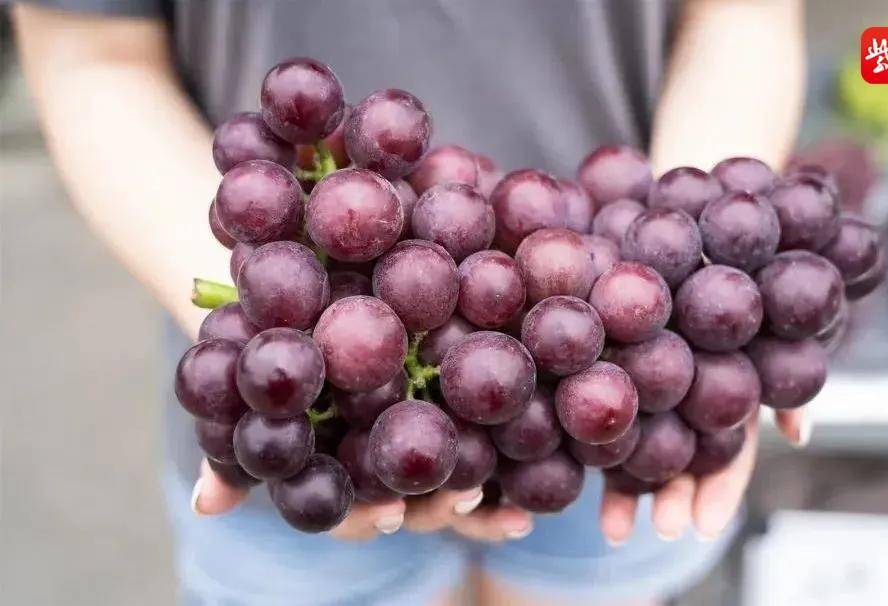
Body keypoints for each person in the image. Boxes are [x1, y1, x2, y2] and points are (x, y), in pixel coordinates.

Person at [11, 1, 808, 603]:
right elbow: (94, 53)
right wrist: (270, 330)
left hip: (608, 423)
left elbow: (743, 16)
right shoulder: (304, 382)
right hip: (328, 437)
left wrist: (699, 272)